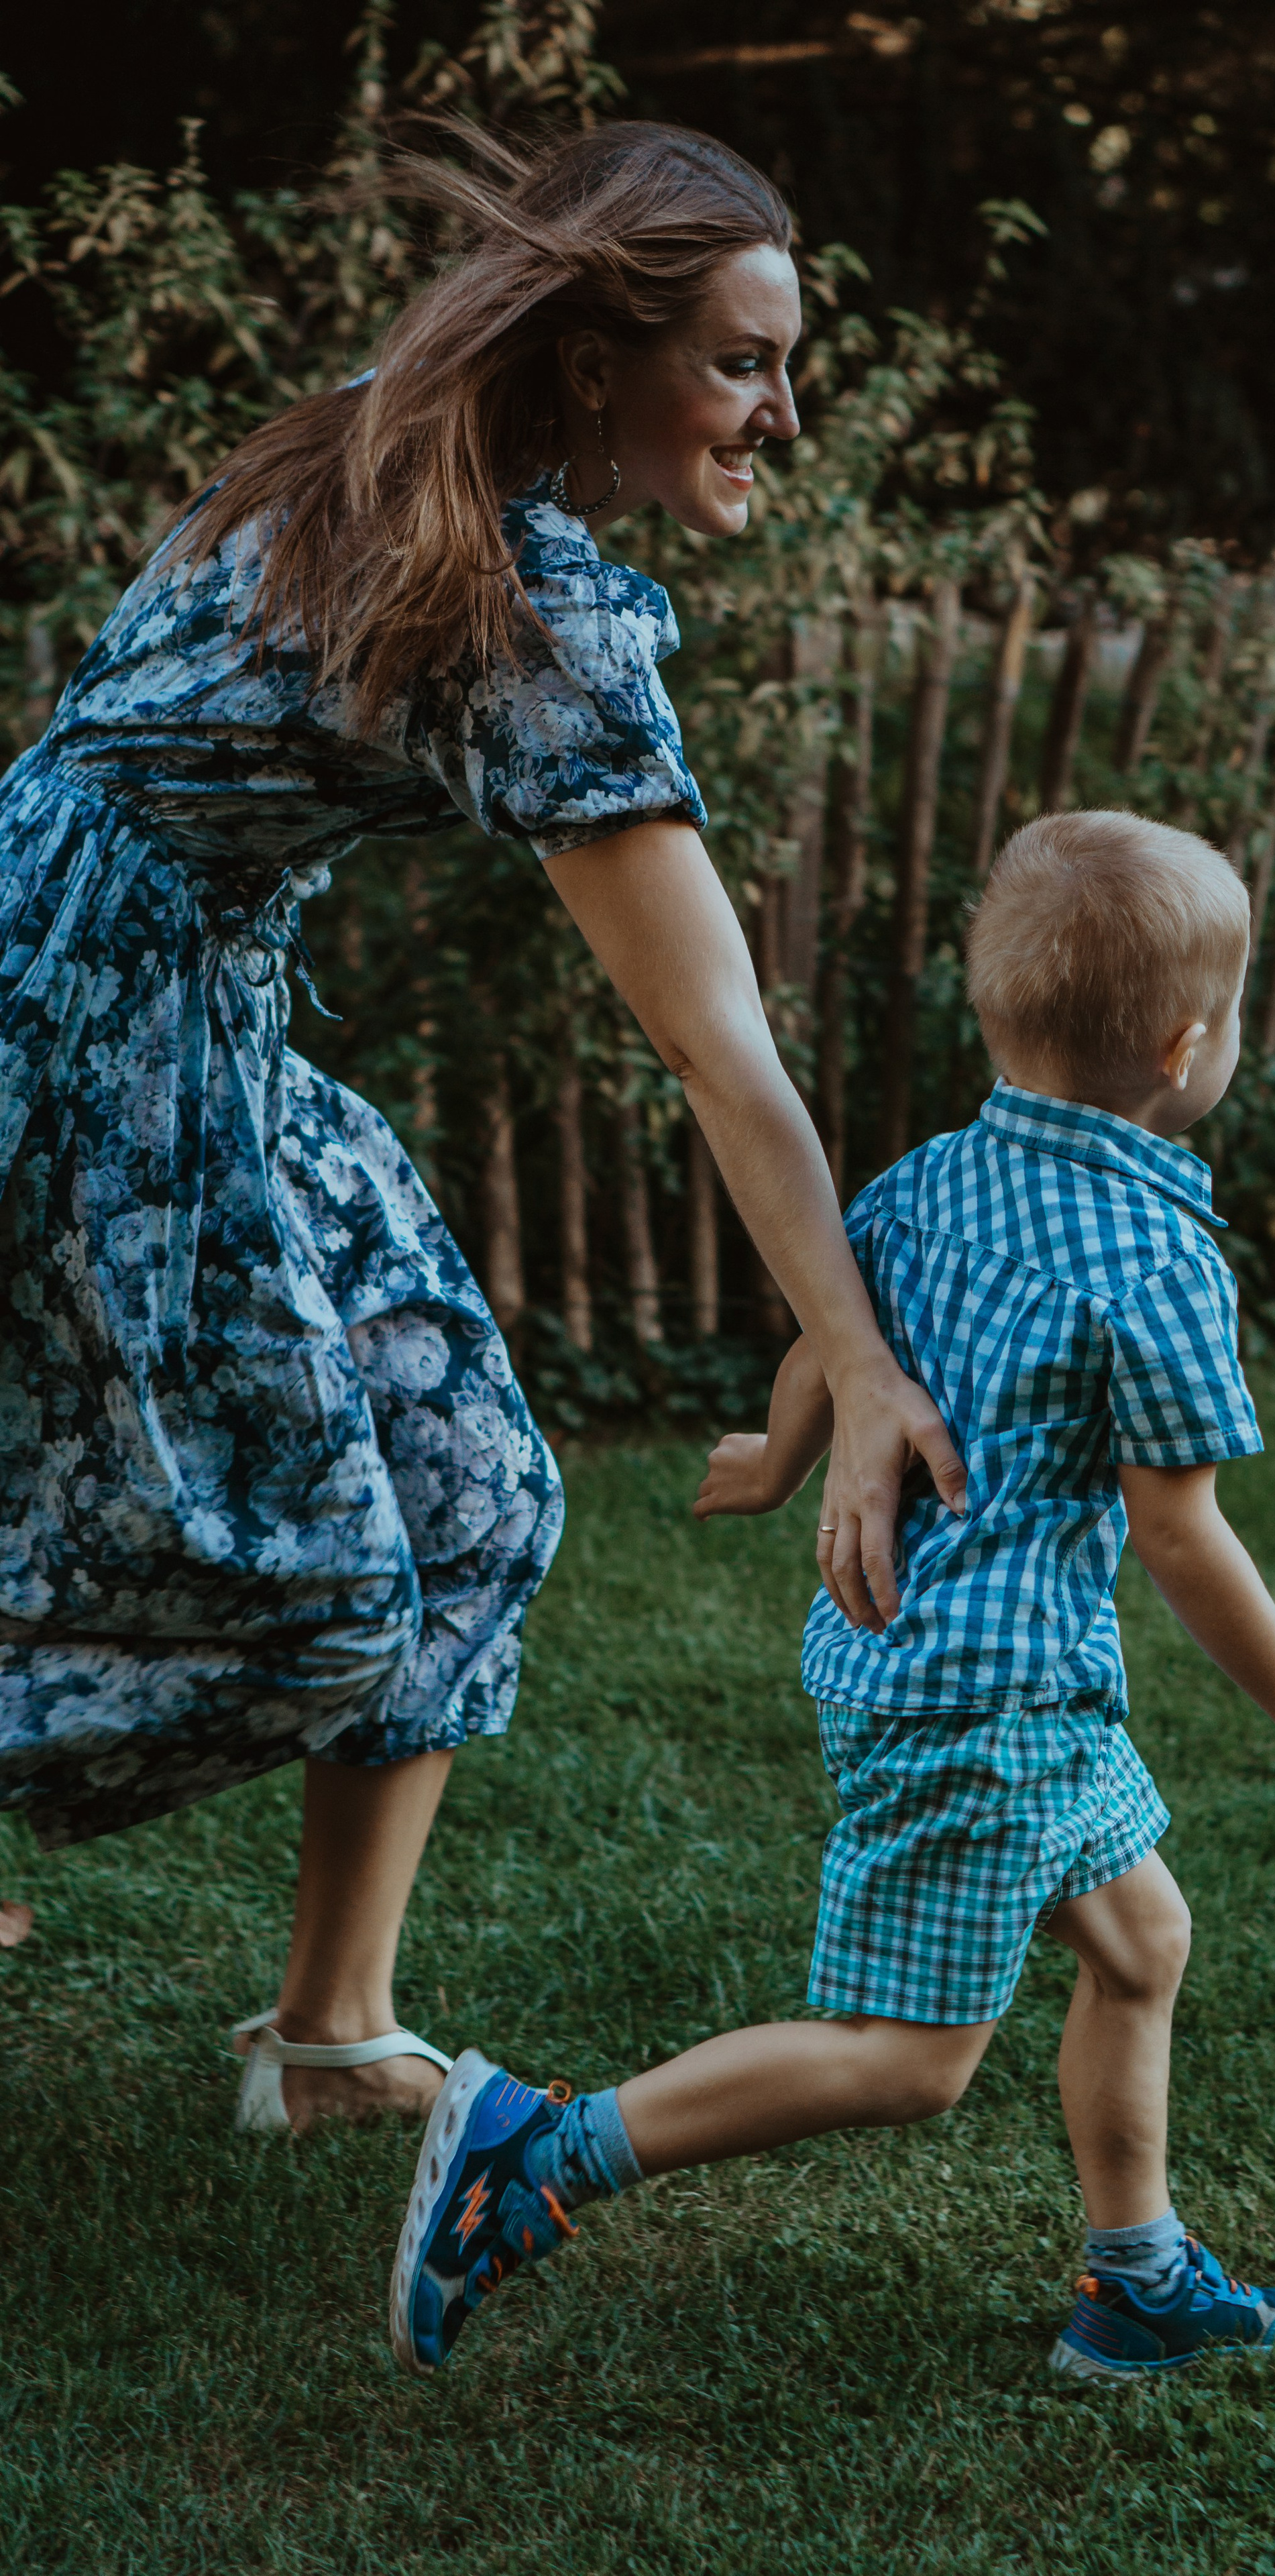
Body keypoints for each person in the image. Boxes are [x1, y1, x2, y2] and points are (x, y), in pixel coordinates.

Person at [0, 123, 962, 2135]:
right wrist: (857, 1362)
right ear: (598, 355)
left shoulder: (380, 451)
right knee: (306, 1587)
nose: (785, 410)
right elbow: (721, 1050)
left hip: (192, 999)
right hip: (79, 1025)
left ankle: (334, 2040)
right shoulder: (516, 608)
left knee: (474, 1496)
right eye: (742, 360)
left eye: (789, 363)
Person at [386, 809, 1275, 2383]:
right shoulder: (1154, 1258)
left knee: (1138, 1939)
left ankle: (1136, 2280)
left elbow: (845, 1337)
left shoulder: (930, 1178)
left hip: (922, 1657)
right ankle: (536, 2151)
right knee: (907, 2062)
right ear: (1187, 1045)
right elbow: (1179, 1536)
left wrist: (777, 1456)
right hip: (994, 1695)